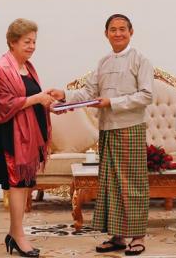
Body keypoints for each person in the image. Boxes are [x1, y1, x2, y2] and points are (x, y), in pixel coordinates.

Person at [50, 14, 153, 256]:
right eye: (113, 29)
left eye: (122, 29)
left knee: (133, 184)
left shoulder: (140, 59)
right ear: (106, 33)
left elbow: (147, 95)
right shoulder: (103, 62)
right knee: (111, 184)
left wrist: (112, 102)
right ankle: (117, 237)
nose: (118, 34)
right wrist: (62, 95)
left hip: (131, 128)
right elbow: (88, 92)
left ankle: (137, 236)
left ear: (131, 31)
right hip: (107, 129)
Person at [0, 18, 54, 257]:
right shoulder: (2, 68)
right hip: (13, 136)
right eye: (26, 42)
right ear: (12, 42)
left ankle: (14, 233)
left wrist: (45, 99)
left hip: (30, 135)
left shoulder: (27, 67)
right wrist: (37, 99)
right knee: (17, 186)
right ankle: (18, 236)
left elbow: (28, 97)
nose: (31, 46)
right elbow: (4, 105)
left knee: (24, 185)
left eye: (34, 42)